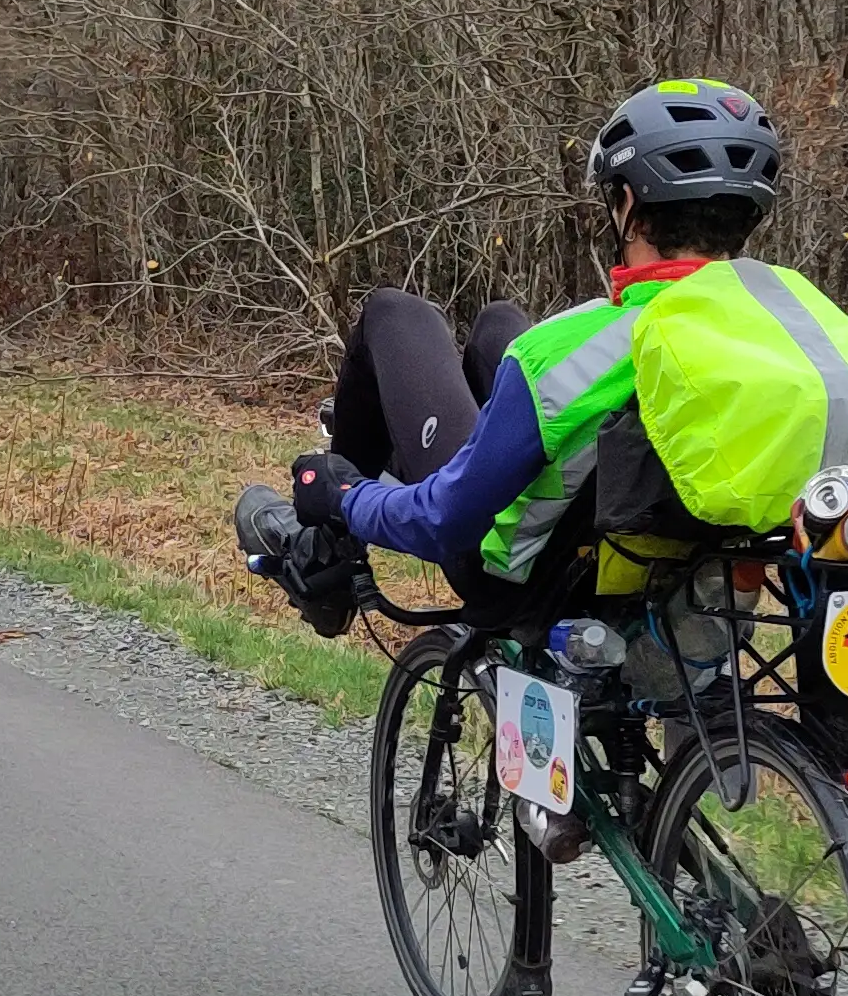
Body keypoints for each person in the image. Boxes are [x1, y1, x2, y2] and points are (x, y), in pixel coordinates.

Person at [234, 79, 795, 636]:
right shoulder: (790, 339)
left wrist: (346, 497)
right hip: (670, 580)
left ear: (627, 205)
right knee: (497, 322)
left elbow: (446, 520)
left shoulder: (579, 350)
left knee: (396, 314)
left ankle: (318, 553)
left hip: (515, 569)